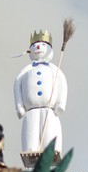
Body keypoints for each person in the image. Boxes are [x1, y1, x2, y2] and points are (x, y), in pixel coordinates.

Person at [13, 29, 67, 160]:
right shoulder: (25, 71)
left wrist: (60, 104)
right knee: (31, 132)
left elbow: (63, 84)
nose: (37, 47)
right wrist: (20, 107)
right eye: (34, 45)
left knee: (49, 130)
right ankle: (31, 151)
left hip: (49, 109)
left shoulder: (54, 69)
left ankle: (51, 149)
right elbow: (16, 86)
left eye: (42, 44)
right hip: (31, 111)